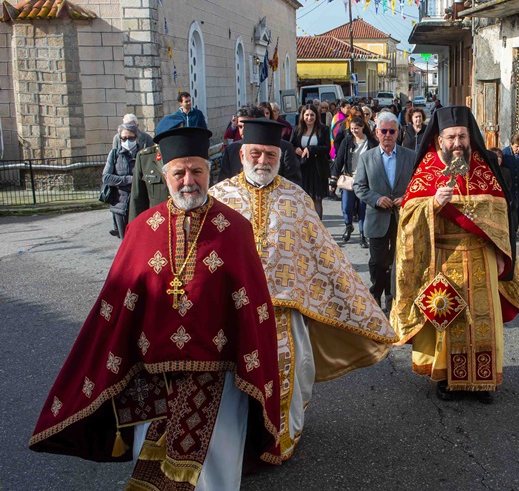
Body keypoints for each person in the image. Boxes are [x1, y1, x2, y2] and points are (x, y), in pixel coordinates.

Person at [30, 127, 282, 489]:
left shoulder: (235, 229)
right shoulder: (140, 230)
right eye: (179, 172)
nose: (189, 181)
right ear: (165, 174)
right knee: (153, 462)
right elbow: (115, 307)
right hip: (152, 378)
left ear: (209, 172)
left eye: (197, 171)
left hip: (220, 376)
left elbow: (256, 311)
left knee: (215, 468)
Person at [209, 118, 396, 461]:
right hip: (234, 310)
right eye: (255, 153)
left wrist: (361, 308)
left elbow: (325, 255)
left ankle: (279, 439)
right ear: (242, 153)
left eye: (269, 154)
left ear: (279, 156)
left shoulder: (296, 198)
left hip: (285, 311)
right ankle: (239, 440)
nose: (262, 161)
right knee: (234, 380)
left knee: (289, 376)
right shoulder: (218, 198)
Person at [390, 106, 519, 403]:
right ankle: (451, 379)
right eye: (451, 137)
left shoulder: (483, 166)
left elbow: (501, 212)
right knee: (449, 320)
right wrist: (433, 205)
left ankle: (484, 380)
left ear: (469, 136)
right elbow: (408, 219)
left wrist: (502, 251)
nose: (457, 143)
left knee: (483, 320)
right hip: (443, 256)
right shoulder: (426, 169)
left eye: (462, 136)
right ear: (439, 139)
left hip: (481, 255)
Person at [353, 111, 416, 313]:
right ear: (376, 132)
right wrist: (377, 199)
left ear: (398, 132)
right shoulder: (366, 158)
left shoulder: (410, 156)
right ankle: (375, 293)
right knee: (378, 262)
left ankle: (392, 299)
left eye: (392, 131)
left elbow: (418, 186)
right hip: (377, 218)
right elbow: (359, 187)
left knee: (399, 260)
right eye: (383, 131)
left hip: (402, 218)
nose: (387, 135)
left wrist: (406, 198)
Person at [219, 104, 302, 186]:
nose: (243, 131)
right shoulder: (231, 150)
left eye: (248, 127)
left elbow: (294, 184)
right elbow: (223, 185)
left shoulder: (284, 148)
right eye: (240, 127)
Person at [332, 116, 376, 247]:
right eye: (351, 129)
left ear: (362, 127)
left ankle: (363, 234)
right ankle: (348, 226)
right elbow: (339, 159)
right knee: (346, 206)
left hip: (365, 180)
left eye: (356, 128)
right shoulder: (347, 141)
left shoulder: (371, 142)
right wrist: (333, 180)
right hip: (349, 179)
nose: (354, 131)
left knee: (363, 208)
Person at [102, 124, 142, 239]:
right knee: (125, 241)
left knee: (139, 239)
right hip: (120, 204)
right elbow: (106, 177)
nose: (127, 141)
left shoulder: (143, 154)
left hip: (139, 203)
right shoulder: (115, 154)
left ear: (136, 138)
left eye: (131, 138)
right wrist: (129, 179)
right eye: (124, 138)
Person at [291, 104, 331, 218]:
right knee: (303, 198)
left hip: (317, 168)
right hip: (302, 168)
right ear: (302, 116)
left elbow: (327, 147)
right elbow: (291, 145)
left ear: (316, 116)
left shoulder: (323, 129)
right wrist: (296, 149)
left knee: (317, 199)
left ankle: (319, 228)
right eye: (307, 115)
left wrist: (311, 149)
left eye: (312, 115)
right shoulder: (297, 129)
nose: (309, 118)